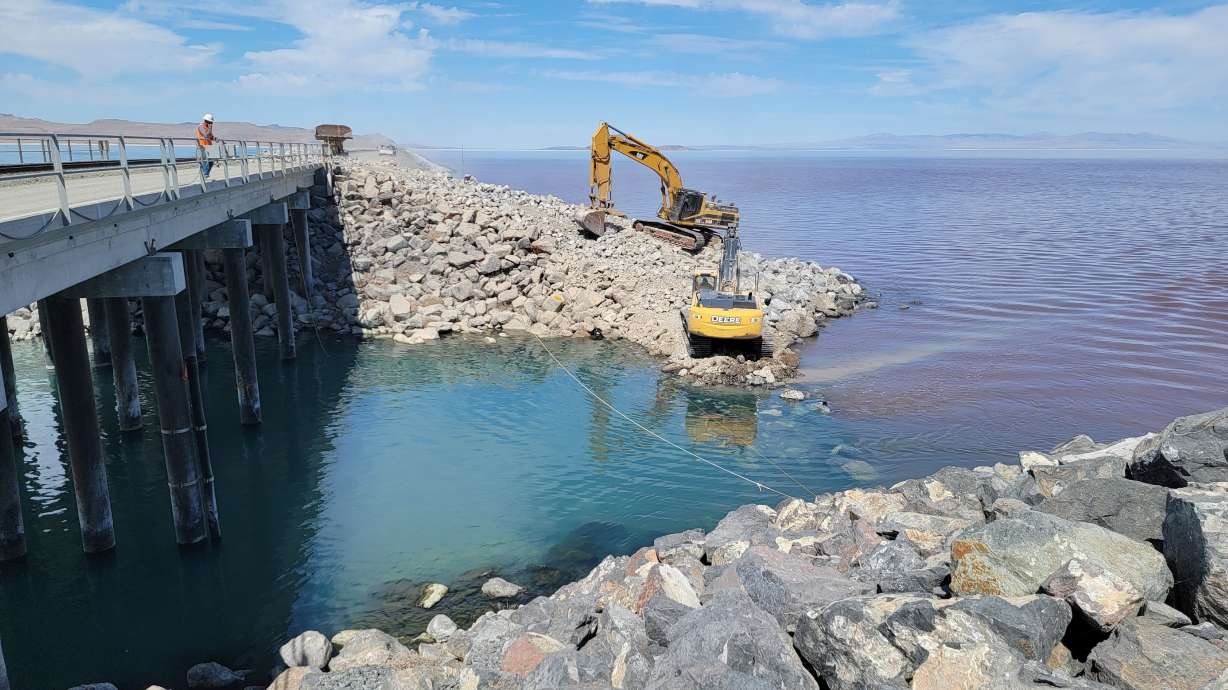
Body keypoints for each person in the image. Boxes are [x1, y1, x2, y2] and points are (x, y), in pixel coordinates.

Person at [196, 113, 217, 179]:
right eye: (210, 122)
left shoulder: (208, 127)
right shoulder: (200, 126)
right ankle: (205, 174)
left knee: (211, 161)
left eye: (211, 122)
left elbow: (210, 137)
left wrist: (215, 138)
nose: (211, 124)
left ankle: (205, 173)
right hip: (202, 145)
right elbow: (206, 135)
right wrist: (210, 129)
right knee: (205, 161)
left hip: (209, 146)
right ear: (206, 121)